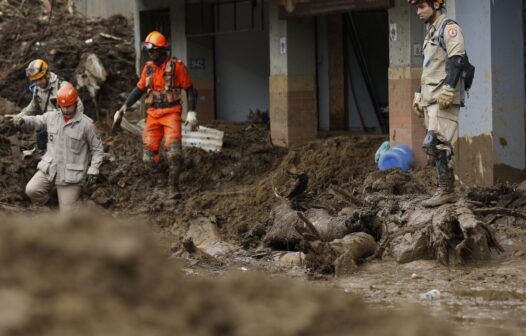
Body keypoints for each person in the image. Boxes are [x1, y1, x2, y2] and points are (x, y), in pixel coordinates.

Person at [114, 31, 198, 197]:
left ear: (162, 50)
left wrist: (192, 112)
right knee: (148, 158)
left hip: (171, 113)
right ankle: (161, 180)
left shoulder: (177, 66)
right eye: (149, 51)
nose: (150, 54)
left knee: (174, 153)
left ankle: (173, 187)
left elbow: (190, 89)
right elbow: (139, 89)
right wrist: (124, 107)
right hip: (153, 115)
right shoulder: (148, 68)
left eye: (153, 51)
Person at [6, 84, 103, 212]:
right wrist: (22, 120)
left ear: (75, 103)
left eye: (68, 106)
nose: (66, 109)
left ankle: (77, 204)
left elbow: (97, 150)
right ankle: (50, 208)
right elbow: (37, 120)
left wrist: (93, 170)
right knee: (32, 190)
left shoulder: (87, 124)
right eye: (62, 106)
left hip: (71, 175)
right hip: (50, 168)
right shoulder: (52, 117)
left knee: (67, 215)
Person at [410, 0, 466, 207]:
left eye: (422, 6)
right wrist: (418, 93)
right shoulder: (431, 32)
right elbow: (429, 68)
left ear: (436, 5)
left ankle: (447, 191)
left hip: (443, 99)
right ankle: (446, 189)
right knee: (436, 147)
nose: (418, 12)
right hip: (430, 97)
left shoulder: (449, 29)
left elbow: (457, 60)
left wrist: (450, 88)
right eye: (416, 8)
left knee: (436, 143)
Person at [15, 59, 75, 150]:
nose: (38, 83)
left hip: (67, 126)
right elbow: (32, 107)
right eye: (35, 80)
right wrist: (20, 116)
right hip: (49, 124)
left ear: (47, 74)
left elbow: (78, 107)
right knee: (42, 141)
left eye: (40, 79)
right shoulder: (37, 89)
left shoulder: (62, 86)